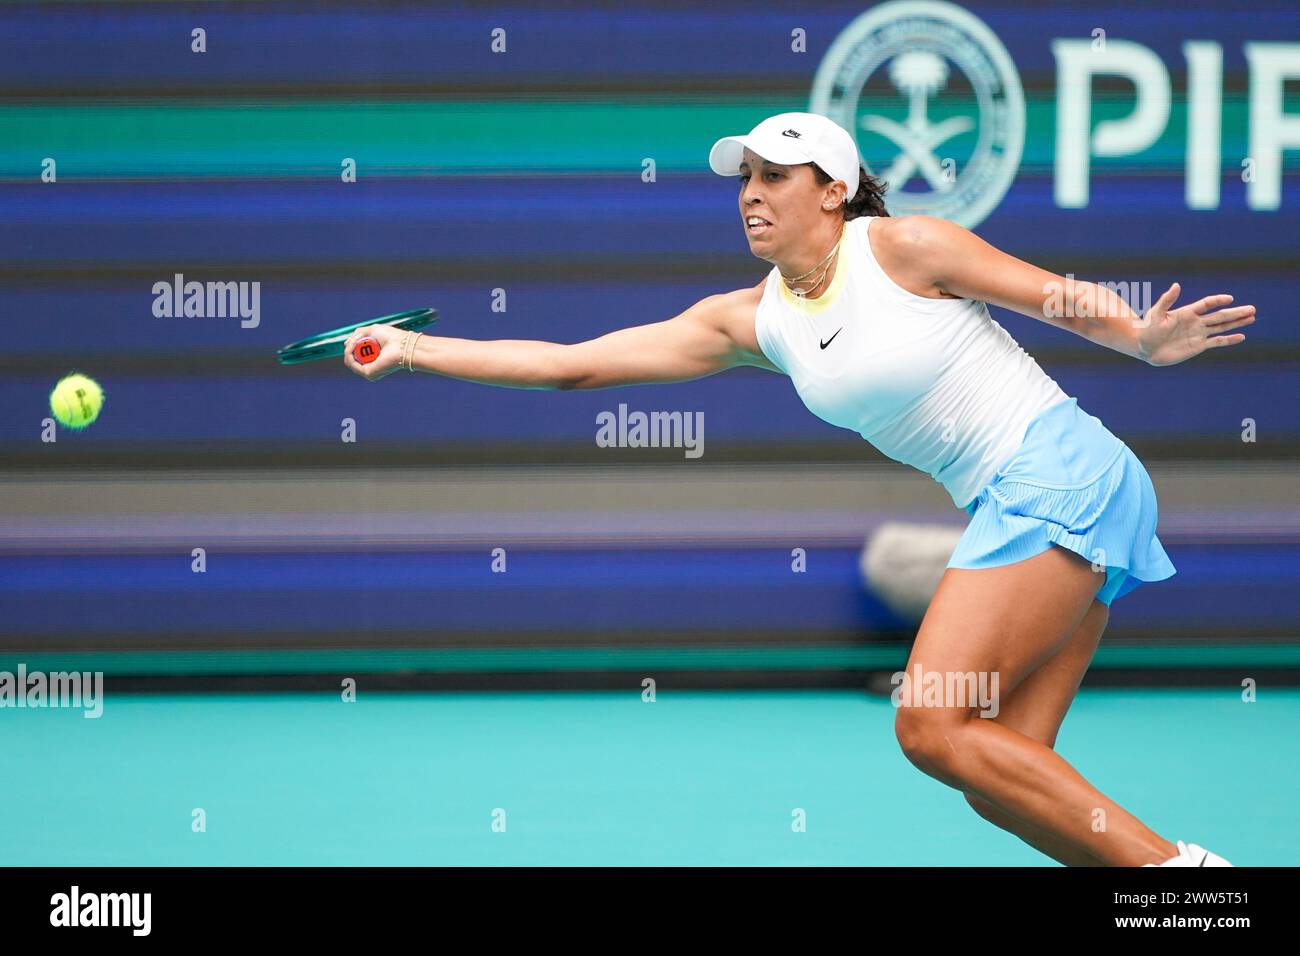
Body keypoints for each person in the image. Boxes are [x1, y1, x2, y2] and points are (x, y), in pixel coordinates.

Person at [343, 112, 1255, 866]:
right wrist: (416, 348)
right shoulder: (753, 320)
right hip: (1041, 499)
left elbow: (1053, 295)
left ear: (833, 189)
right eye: (744, 177)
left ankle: (1189, 889)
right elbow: (567, 366)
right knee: (996, 778)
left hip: (1060, 474)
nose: (750, 193)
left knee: (930, 726)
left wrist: (1140, 335)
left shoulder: (907, 246)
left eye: (776, 174)